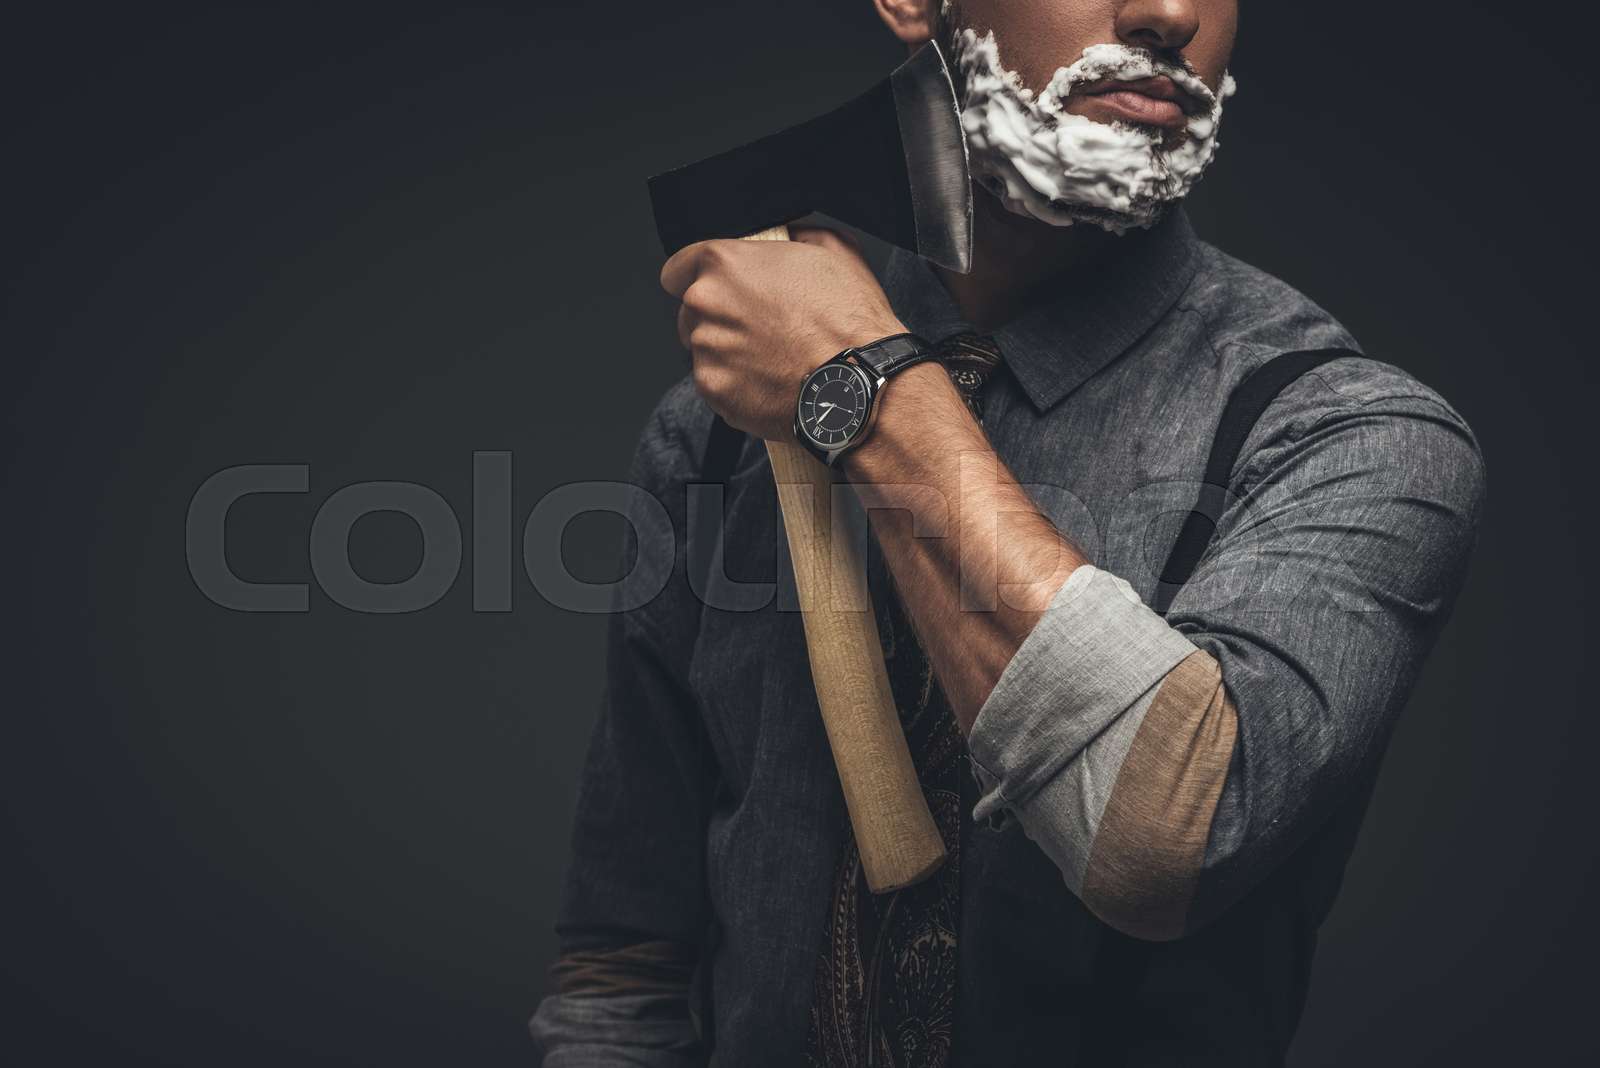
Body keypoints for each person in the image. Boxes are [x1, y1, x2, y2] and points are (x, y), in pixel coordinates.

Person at [531, 1, 1485, 1064]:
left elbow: (1165, 831)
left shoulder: (1350, 435)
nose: (1167, 13)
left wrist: (870, 389)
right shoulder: (714, 439)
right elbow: (622, 967)